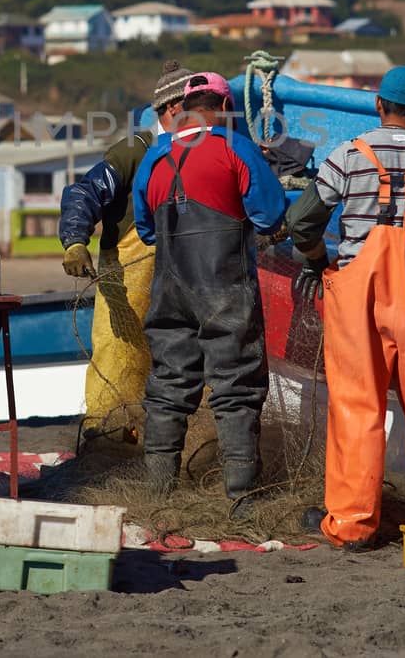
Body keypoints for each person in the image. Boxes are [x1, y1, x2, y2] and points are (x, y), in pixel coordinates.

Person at [285, 65, 405, 550]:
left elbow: (302, 220)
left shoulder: (347, 156)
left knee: (356, 406)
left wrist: (317, 259)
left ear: (379, 106)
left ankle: (351, 524)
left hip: (358, 296)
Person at [132, 71, 287, 503]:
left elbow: (146, 229)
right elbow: (270, 215)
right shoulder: (233, 145)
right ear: (223, 107)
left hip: (169, 285)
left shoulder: (155, 158)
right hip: (223, 285)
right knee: (236, 382)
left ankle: (159, 493)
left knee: (168, 382)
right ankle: (240, 497)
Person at [58, 60, 193, 445]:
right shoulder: (135, 151)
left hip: (183, 283)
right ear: (171, 110)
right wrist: (75, 241)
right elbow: (84, 192)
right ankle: (108, 445)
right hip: (127, 286)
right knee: (119, 365)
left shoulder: (206, 150)